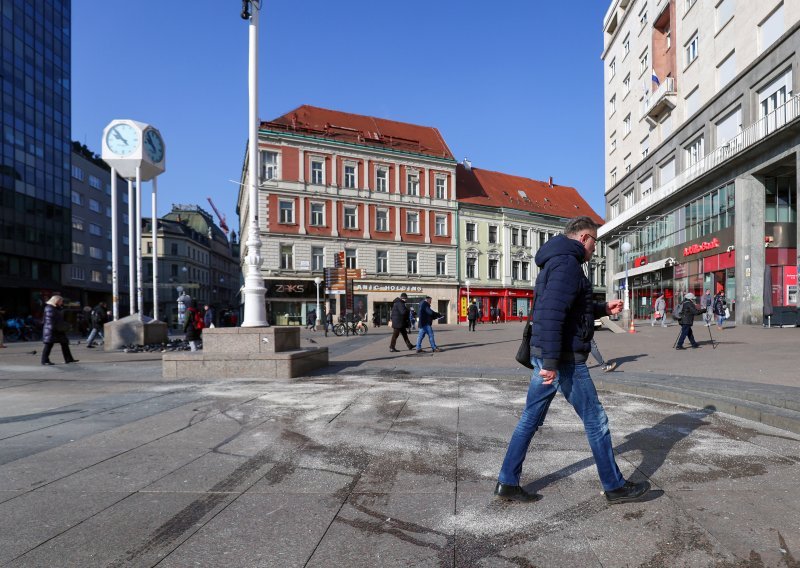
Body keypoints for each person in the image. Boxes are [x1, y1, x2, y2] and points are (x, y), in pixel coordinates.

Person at [495, 216, 650, 505]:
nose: (595, 247)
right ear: (583, 238)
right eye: (595, 241)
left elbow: (570, 306)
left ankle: (507, 481)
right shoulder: (568, 265)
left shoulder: (557, 260)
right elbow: (551, 315)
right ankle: (614, 486)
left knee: (530, 418)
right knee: (596, 420)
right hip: (564, 358)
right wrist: (552, 365)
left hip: (550, 354)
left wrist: (602, 307)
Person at [41, 295, 78, 365]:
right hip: (52, 330)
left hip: (57, 329)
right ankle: (44, 360)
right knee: (49, 345)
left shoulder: (55, 308)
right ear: (56, 301)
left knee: (64, 343)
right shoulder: (49, 308)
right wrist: (55, 328)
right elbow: (50, 320)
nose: (62, 302)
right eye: (61, 301)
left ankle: (69, 359)